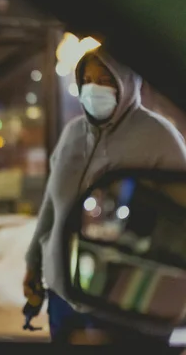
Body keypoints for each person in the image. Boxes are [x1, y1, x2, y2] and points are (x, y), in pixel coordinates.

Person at [23, 49, 186, 344]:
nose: (93, 88)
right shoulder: (73, 135)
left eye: (104, 79)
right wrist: (34, 263)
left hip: (123, 298)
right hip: (65, 295)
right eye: (86, 80)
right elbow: (52, 206)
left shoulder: (159, 138)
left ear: (125, 82)